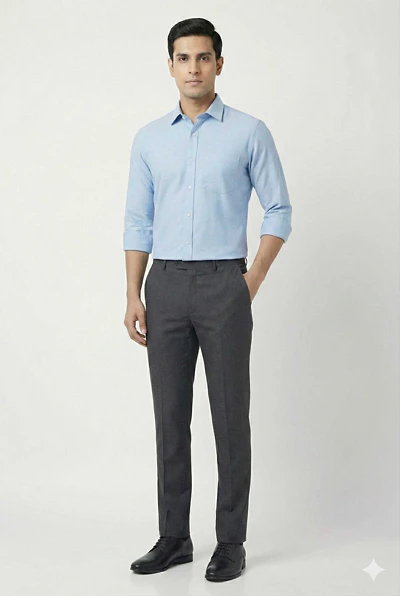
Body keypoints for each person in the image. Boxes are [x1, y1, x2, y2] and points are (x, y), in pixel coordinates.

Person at [123, 17, 292, 583]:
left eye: (202, 57)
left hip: (225, 283)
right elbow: (138, 221)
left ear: (219, 64)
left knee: (229, 416)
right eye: (183, 58)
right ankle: (174, 537)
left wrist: (251, 280)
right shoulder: (149, 139)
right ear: (170, 65)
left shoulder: (249, 132)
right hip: (165, 285)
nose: (193, 68)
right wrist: (133, 293)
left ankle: (230, 541)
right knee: (170, 417)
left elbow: (279, 209)